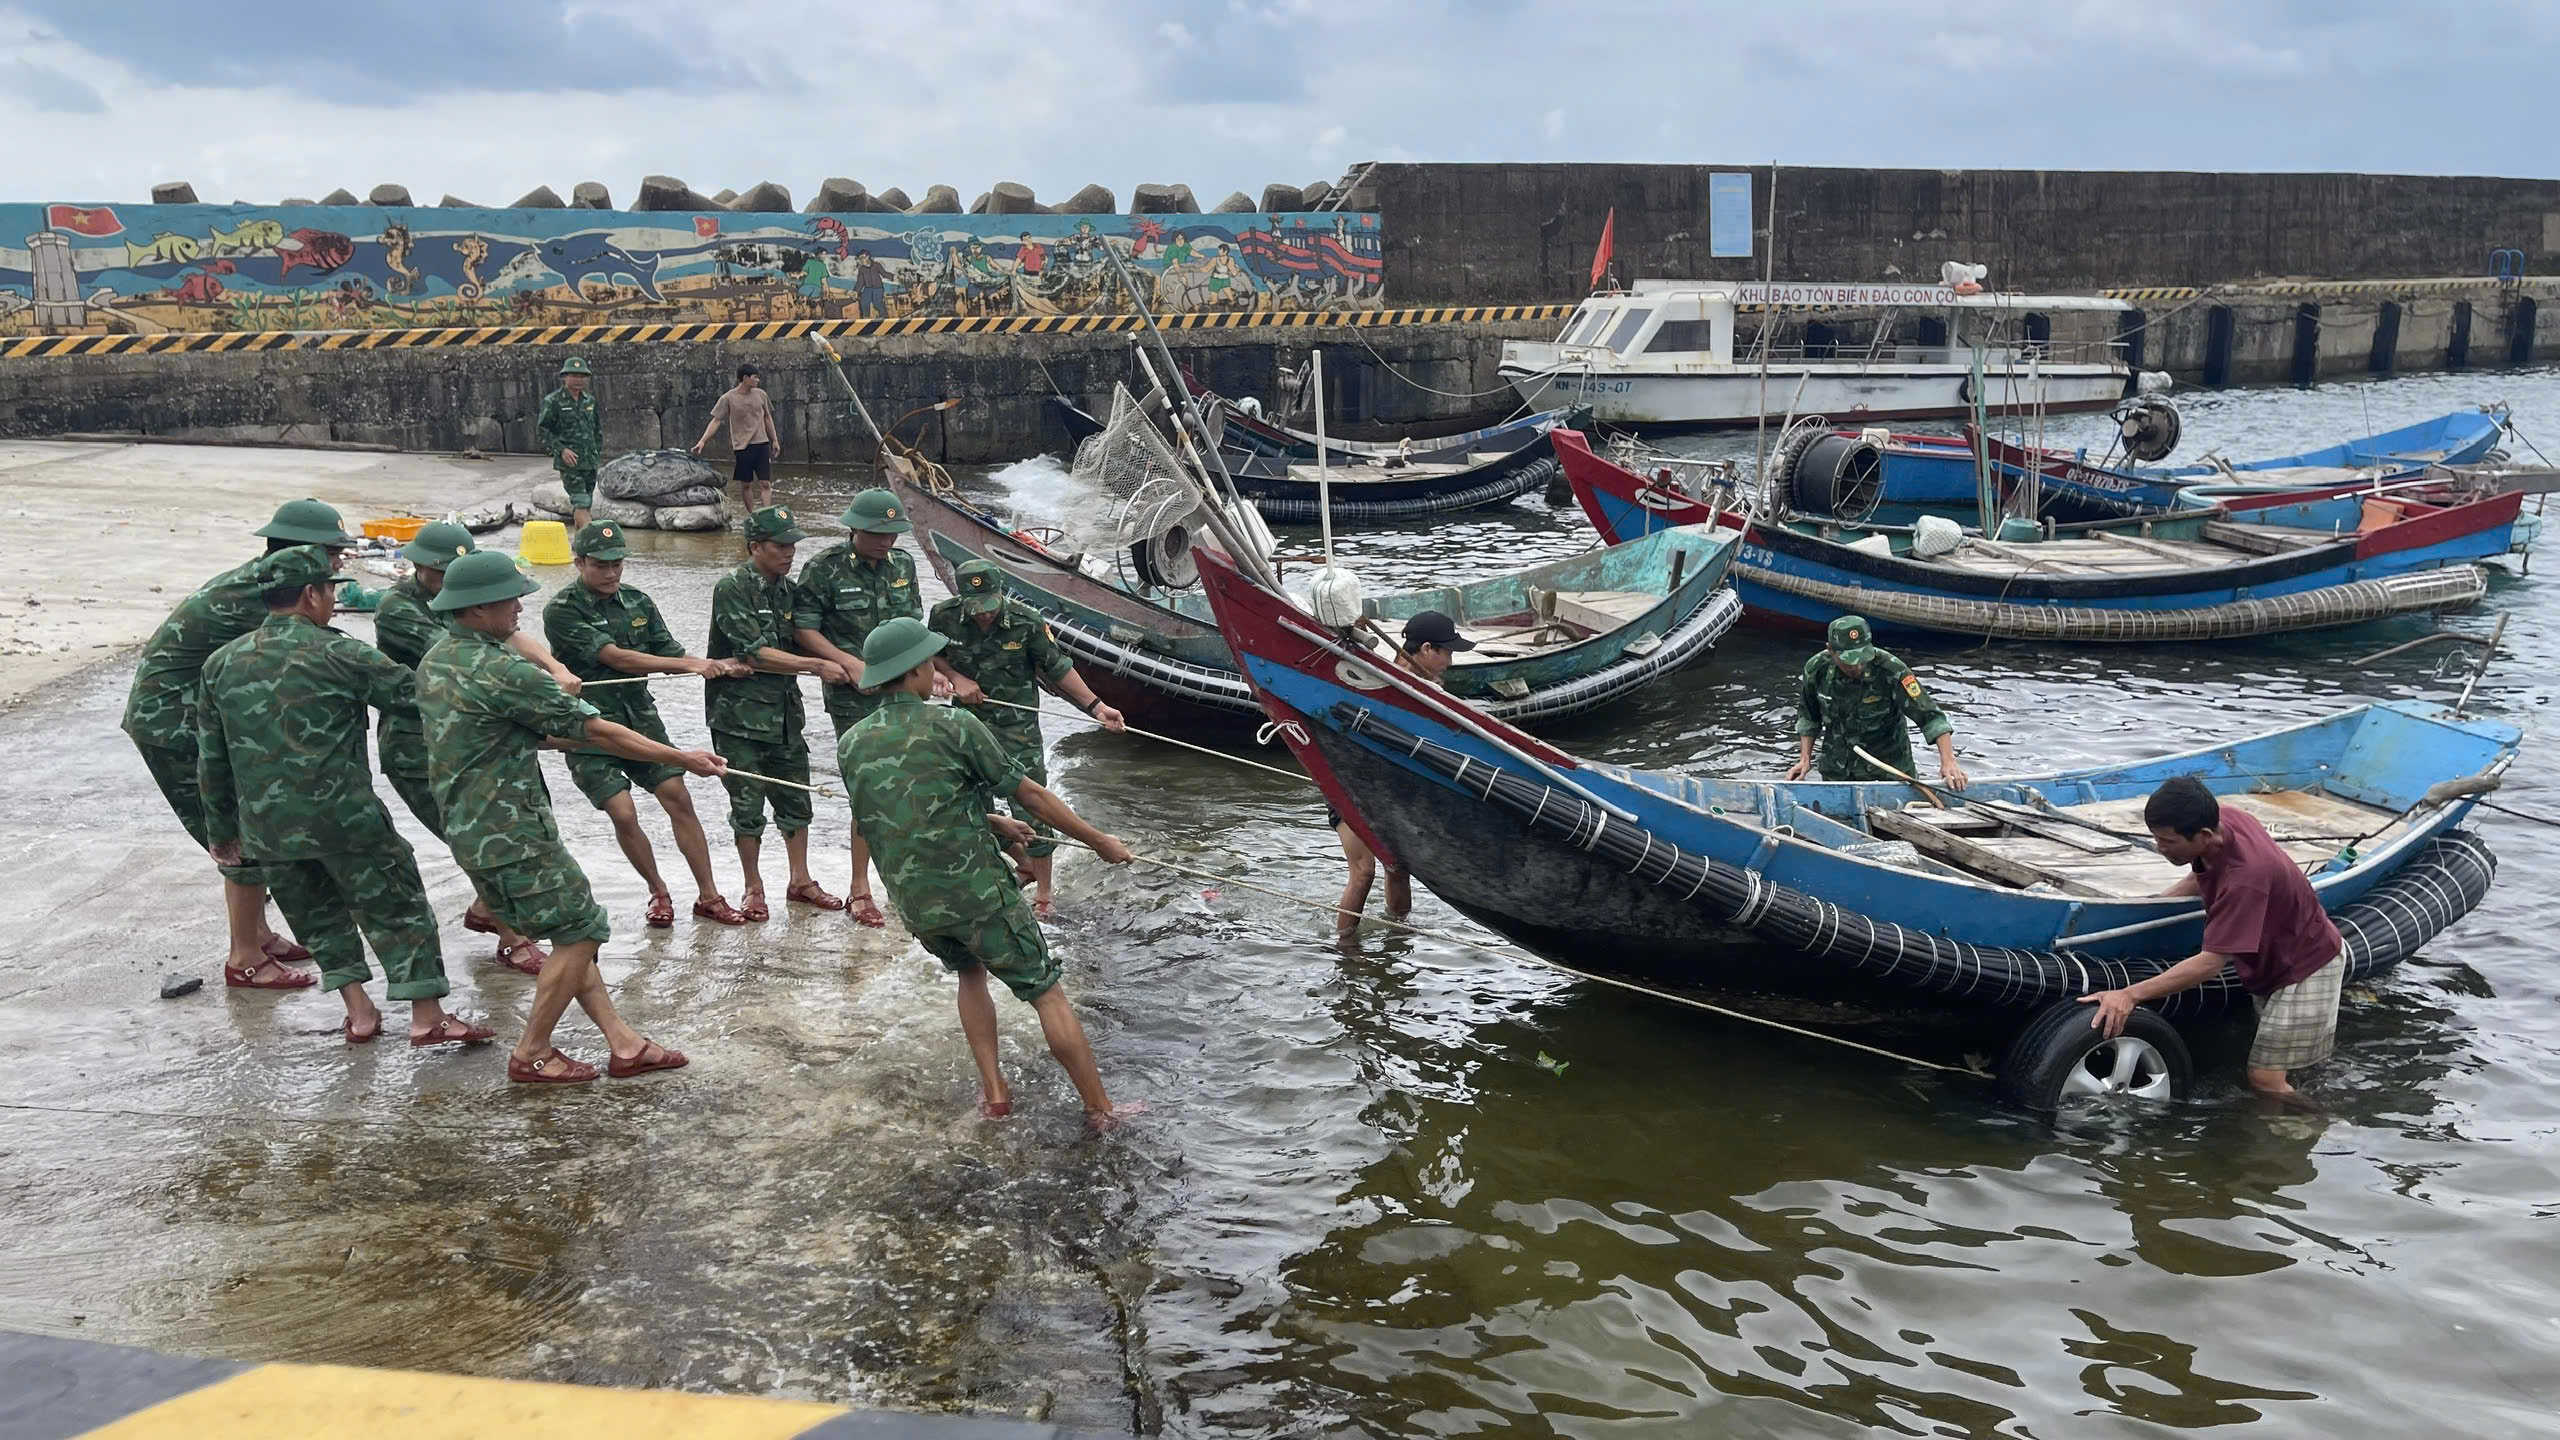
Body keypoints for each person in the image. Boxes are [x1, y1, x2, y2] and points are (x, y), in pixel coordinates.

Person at [418, 551, 723, 1084]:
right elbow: (596, 732)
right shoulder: (504, 670)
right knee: (581, 930)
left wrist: (564, 718)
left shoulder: (439, 659)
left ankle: (624, 1044)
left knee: (568, 930)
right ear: (480, 606)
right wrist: (682, 758)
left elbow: (528, 732)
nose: (519, 607)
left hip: (469, 825)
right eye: (511, 598)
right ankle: (532, 1052)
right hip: (511, 827)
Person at [840, 616, 1138, 1129]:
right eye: (930, 659)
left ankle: (995, 1095)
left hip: (917, 902)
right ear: (916, 670)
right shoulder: (955, 724)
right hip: (977, 893)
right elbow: (1034, 795)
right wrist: (1099, 842)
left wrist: (991, 820)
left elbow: (901, 813)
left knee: (970, 973)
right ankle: (1100, 1110)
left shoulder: (852, 742)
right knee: (1046, 991)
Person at [197, 546, 491, 1046]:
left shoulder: (221, 663)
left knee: (317, 916)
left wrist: (222, 833)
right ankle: (426, 1014)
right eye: (331, 589)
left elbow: (212, 758)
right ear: (311, 594)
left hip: (267, 826)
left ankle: (359, 1012)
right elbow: (418, 693)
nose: (333, 599)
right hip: (344, 816)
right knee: (398, 907)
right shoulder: (340, 652)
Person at [123, 497, 356, 988]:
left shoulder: (264, 582)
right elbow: (309, 652)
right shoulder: (259, 597)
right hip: (175, 723)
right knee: (241, 833)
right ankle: (245, 957)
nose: (338, 564)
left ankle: (259, 934)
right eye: (333, 554)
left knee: (250, 826)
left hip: (192, 713)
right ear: (301, 552)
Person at [373, 520, 574, 976]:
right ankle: (513, 939)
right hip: (419, 740)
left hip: (483, 731)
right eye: (443, 574)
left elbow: (503, 632)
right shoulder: (396, 608)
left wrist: (553, 668)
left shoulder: (473, 601)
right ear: (420, 567)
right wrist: (532, 686)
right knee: (479, 839)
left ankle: (489, 909)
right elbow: (468, 650)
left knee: (523, 820)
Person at [543, 520, 756, 927]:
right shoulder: (561, 610)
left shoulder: (638, 602)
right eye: (600, 565)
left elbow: (669, 653)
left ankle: (709, 896)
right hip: (587, 726)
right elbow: (616, 658)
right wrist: (690, 663)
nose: (610, 573)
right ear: (579, 563)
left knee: (677, 795)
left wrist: (718, 666)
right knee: (622, 811)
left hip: (640, 718)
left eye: (617, 564)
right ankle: (658, 891)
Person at [2080, 775, 2346, 1097]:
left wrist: (2129, 994)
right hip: (2275, 952)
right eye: (2156, 838)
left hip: (2306, 965)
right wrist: (2154, 904)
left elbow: (2210, 965)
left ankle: (2319, 1122)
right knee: (2286, 1063)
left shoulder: (2246, 879)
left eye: (2168, 842)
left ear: (2204, 835)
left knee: (2265, 1081)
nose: (2159, 848)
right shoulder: (2227, 818)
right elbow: (2202, 873)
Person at [930, 559, 1125, 919]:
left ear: (1000, 595)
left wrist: (1097, 708)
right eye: (976, 609)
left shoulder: (1026, 621)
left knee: (1033, 806)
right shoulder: (943, 616)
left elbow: (1058, 667)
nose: (983, 617)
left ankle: (1045, 891)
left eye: (989, 608)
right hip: (965, 725)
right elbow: (932, 656)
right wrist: (955, 677)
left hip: (1016, 727)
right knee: (974, 803)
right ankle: (1016, 867)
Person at [790, 488, 940, 926]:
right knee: (869, 789)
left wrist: (934, 672)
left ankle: (911, 876)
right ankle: (860, 887)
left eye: (893, 534)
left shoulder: (904, 565)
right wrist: (850, 663)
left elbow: (913, 624)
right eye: (877, 533)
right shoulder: (823, 567)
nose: (885, 542)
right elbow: (805, 630)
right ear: (854, 528)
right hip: (853, 696)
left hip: (907, 689)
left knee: (911, 780)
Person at [705, 505, 853, 920]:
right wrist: (817, 665)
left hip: (785, 714)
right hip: (739, 718)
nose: (788, 553)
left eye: (792, 546)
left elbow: (807, 636)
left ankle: (800, 879)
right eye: (779, 546)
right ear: (755, 547)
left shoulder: (791, 592)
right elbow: (753, 652)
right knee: (747, 806)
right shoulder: (732, 587)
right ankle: (753, 887)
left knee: (796, 799)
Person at [1333, 610, 1467, 937]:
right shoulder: (1379, 678)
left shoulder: (1431, 689)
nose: (1450, 661)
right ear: (1426, 649)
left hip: (1389, 790)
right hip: (1348, 784)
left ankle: (1397, 938)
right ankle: (1344, 949)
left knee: (1398, 868)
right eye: (1447, 652)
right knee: (1364, 872)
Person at [1784, 615, 1968, 790]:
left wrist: (1949, 762)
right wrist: (1804, 759)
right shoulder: (1817, 670)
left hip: (1889, 773)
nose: (1857, 666)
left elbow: (1931, 717)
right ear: (1831, 650)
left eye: (1862, 659)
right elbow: (1809, 718)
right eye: (1849, 661)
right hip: (1837, 772)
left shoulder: (1891, 670)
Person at [690, 362, 780, 512]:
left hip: (762, 444)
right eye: (755, 377)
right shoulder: (728, 398)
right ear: (745, 378)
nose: (758, 380)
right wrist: (702, 441)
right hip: (742, 447)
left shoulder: (761, 395)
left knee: (765, 483)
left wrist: (775, 440)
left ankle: (767, 513)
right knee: (746, 484)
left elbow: (767, 418)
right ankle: (753, 516)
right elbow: (716, 420)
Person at [537, 356, 604, 531]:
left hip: (589, 460)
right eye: (574, 375)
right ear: (564, 377)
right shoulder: (553, 401)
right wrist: (561, 450)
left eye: (582, 376)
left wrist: (597, 452)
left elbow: (596, 429)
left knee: (585, 502)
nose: (578, 379)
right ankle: (592, 539)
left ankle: (579, 541)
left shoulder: (589, 401)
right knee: (581, 501)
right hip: (570, 462)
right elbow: (543, 430)